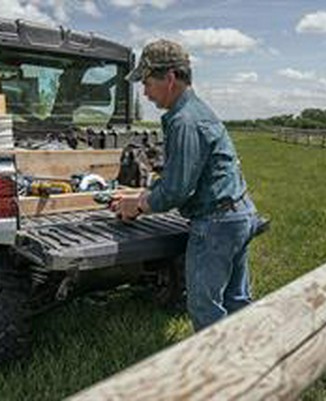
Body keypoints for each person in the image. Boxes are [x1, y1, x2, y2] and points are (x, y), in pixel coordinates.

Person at [110, 39, 261, 331]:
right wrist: (147, 192)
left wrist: (137, 204)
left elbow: (177, 190)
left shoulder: (184, 121)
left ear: (169, 79)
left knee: (205, 306)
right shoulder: (197, 111)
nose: (145, 91)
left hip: (216, 223)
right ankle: (245, 356)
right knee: (236, 298)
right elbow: (186, 176)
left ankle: (216, 371)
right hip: (238, 214)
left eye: (147, 82)